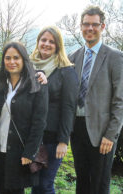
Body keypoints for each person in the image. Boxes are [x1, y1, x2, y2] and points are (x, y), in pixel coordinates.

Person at [68, 6, 123, 194]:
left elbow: (122, 99)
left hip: (102, 132)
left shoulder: (115, 57)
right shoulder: (73, 57)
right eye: (86, 24)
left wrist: (111, 135)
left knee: (99, 184)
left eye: (95, 24)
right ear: (81, 26)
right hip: (77, 129)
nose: (90, 28)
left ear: (102, 26)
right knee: (82, 181)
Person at [0, 42, 48, 194]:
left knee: (16, 190)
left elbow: (39, 122)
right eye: (8, 58)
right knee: (1, 189)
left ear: (24, 59)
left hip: (20, 151)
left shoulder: (36, 84)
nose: (12, 62)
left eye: (16, 58)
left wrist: (29, 152)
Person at [30, 26, 78, 194]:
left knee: (45, 185)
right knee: (35, 184)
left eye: (51, 41)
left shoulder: (66, 71)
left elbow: (69, 107)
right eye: (43, 40)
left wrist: (63, 141)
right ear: (38, 42)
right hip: (33, 136)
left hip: (53, 138)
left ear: (58, 45)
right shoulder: (29, 66)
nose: (46, 44)